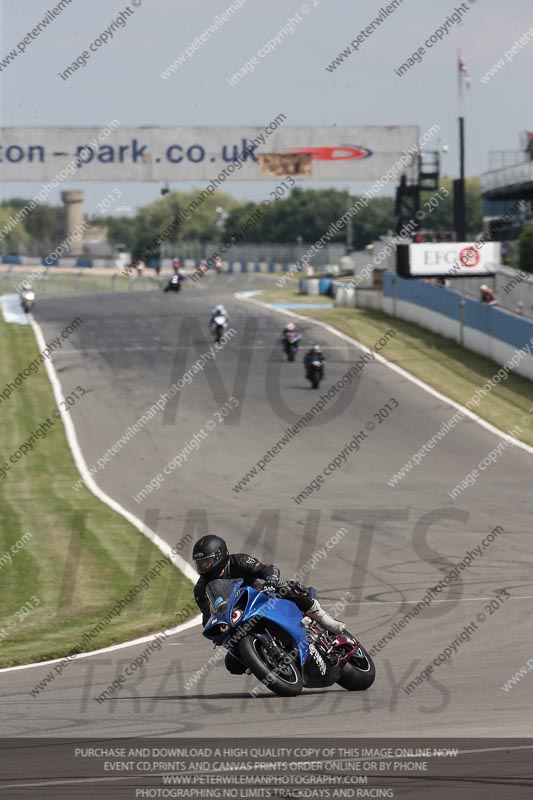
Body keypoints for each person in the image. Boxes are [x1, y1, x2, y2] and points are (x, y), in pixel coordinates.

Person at [192, 535, 345, 675]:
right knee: (232, 664)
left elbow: (267, 569)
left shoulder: (239, 561)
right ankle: (261, 660)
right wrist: (216, 633)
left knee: (289, 587)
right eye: (199, 563)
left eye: (206, 562)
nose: (203, 567)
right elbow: (207, 616)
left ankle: (323, 618)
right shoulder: (201, 588)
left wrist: (270, 579)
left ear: (219, 556)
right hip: (236, 616)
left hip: (260, 598)